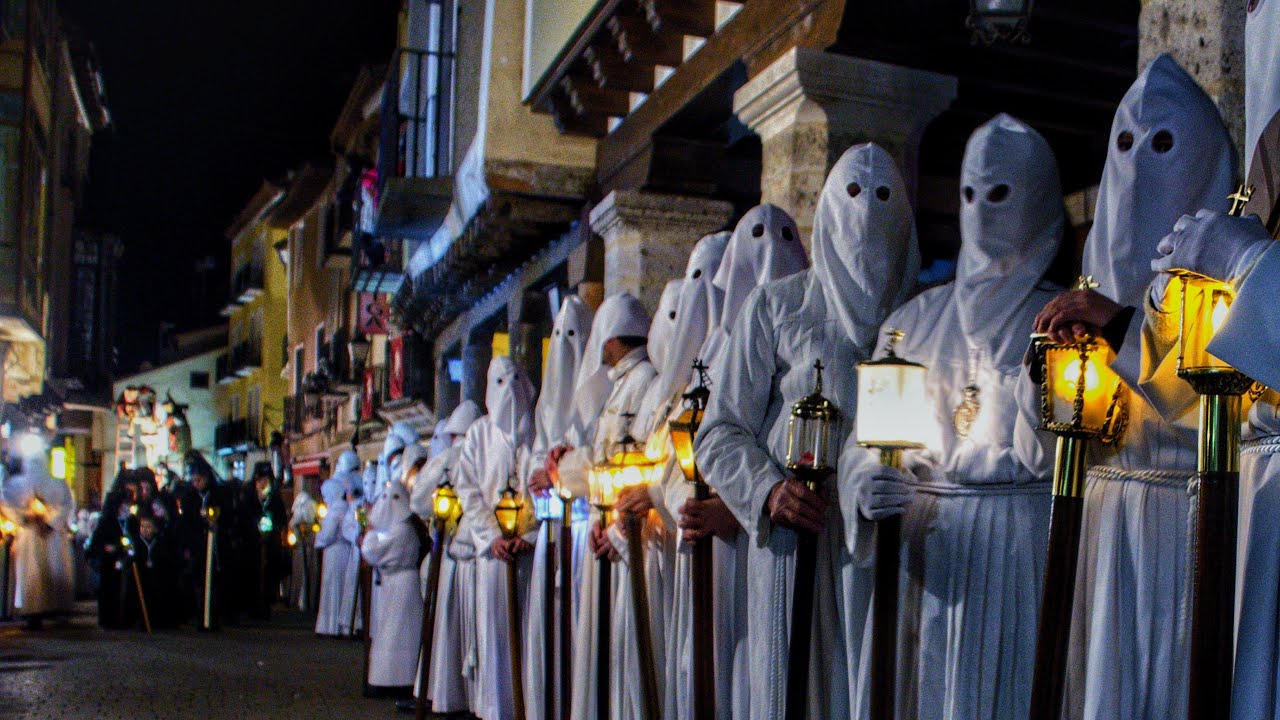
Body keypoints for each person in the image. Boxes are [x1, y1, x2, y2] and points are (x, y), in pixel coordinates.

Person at [1028, 54, 1237, 719]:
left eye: (1165, 145)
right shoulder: (1091, 274)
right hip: (1102, 514)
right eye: (1126, 145)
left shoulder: (1224, 275)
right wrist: (1048, 376)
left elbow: (1218, 400)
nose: (1141, 167)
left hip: (1187, 516)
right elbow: (1057, 432)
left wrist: (1122, 327)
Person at [842, 114, 1063, 718]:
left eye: (1001, 194)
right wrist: (864, 482)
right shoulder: (911, 322)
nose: (982, 214)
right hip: (923, 550)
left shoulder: (1062, 322)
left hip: (1017, 554)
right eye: (969, 194)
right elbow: (863, 442)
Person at [696, 142, 920, 720]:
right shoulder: (776, 306)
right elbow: (720, 430)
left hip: (888, 537)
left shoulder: (921, 316)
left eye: (883, 197)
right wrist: (769, 490)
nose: (866, 214)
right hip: (800, 531)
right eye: (852, 195)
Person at [548, 292, 654, 719]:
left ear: (609, 340)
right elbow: (600, 458)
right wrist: (566, 468)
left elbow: (628, 461)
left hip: (627, 532)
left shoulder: (642, 383)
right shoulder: (624, 386)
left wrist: (564, 472)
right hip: (607, 528)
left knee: (623, 644)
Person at [522, 294, 593, 720]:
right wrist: (540, 478)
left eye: (575, 337)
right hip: (552, 532)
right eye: (560, 336)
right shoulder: (546, 408)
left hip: (582, 532)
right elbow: (535, 462)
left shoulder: (596, 399)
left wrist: (562, 473)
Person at [456, 355, 538, 720]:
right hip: (495, 554)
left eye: (515, 381)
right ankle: (495, 709)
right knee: (495, 634)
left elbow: (546, 486)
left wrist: (531, 534)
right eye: (500, 384)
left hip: (530, 554)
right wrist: (492, 537)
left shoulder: (538, 430)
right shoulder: (480, 434)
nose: (509, 393)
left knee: (531, 632)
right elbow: (468, 489)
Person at [410, 400, 483, 715]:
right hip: (483, 556)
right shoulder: (487, 452)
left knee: (446, 630)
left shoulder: (447, 459)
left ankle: (444, 694)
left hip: (453, 553)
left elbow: (418, 500)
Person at [363, 441, 430, 697]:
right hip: (398, 587)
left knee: (397, 635)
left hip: (401, 587)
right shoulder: (404, 528)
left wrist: (370, 533)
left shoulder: (401, 531)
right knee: (393, 633)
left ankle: (396, 681)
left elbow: (372, 550)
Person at [3, 447, 75, 628]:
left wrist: (47, 522)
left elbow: (66, 504)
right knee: (35, 572)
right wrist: (28, 518)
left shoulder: (56, 483)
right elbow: (8, 503)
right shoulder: (20, 485)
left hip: (48, 535)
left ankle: (53, 611)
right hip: (34, 534)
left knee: (51, 570)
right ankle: (36, 613)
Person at [184, 452, 235, 628]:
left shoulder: (219, 494)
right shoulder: (190, 497)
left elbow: (228, 516)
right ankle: (201, 617)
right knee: (199, 582)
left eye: (198, 480)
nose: (196, 484)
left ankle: (215, 616)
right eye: (193, 481)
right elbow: (187, 522)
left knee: (217, 583)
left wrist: (217, 523)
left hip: (217, 546)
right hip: (199, 546)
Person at [315, 450, 362, 636]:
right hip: (344, 550)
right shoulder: (345, 504)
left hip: (336, 552)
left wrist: (319, 538)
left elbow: (328, 533)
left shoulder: (337, 508)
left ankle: (332, 625)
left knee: (333, 588)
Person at [238, 462, 287, 621]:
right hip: (252, 543)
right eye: (260, 480)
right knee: (252, 574)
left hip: (270, 543)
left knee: (269, 574)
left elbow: (281, 518)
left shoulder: (274, 498)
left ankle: (266, 605)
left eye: (266, 480)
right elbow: (243, 517)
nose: (263, 483)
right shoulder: (248, 496)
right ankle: (252, 606)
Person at [88, 476, 136, 628]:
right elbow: (97, 543)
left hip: (125, 561)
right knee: (109, 591)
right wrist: (109, 548)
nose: (126, 509)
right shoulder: (107, 522)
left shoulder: (130, 521)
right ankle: (108, 620)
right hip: (109, 562)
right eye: (123, 507)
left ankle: (123, 618)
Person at [126, 512, 180, 630]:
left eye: (148, 527)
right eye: (142, 526)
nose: (144, 530)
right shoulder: (135, 542)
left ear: (155, 529)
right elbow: (130, 556)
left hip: (155, 576)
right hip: (141, 575)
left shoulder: (159, 541)